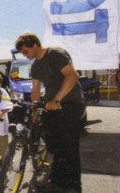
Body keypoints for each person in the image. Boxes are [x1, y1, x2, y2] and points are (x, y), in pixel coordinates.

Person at [15, 33, 84, 193]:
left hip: (70, 103)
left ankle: (74, 187)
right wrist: (35, 109)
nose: (26, 55)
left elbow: (71, 76)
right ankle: (58, 182)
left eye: (26, 52)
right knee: (55, 145)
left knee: (69, 146)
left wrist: (57, 99)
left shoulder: (56, 54)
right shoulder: (36, 66)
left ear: (34, 45)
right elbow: (36, 91)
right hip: (51, 105)